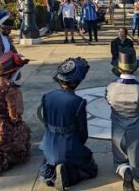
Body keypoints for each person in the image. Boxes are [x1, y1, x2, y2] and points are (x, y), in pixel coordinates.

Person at [38, 57, 98, 190]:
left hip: (49, 143)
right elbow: (82, 133)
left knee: (50, 160)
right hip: (69, 145)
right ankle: (68, 175)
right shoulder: (78, 101)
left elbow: (46, 123)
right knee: (91, 168)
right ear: (76, 82)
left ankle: (54, 171)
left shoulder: (47, 96)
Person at [105, 49, 139, 191]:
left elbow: (110, 104)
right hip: (137, 131)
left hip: (118, 131)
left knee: (119, 161)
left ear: (119, 69)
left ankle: (124, 171)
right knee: (138, 163)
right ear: (135, 69)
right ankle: (135, 168)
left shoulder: (110, 88)